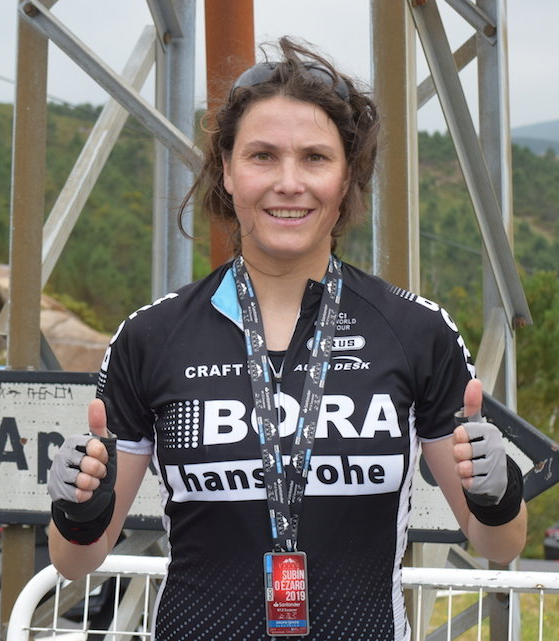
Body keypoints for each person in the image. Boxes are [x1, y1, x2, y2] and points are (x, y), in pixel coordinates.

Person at [46, 36, 527, 641]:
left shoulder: (414, 330)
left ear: (348, 172)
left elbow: (500, 544)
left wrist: (497, 491)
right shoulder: (154, 335)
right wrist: (77, 505)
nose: (289, 183)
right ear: (226, 168)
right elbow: (75, 559)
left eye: (316, 158)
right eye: (263, 156)